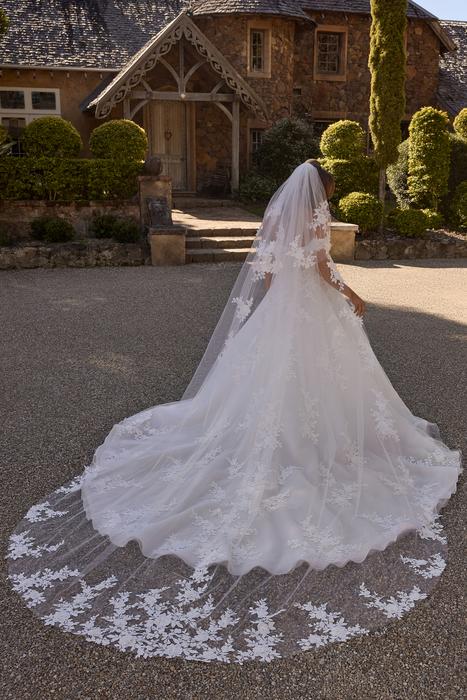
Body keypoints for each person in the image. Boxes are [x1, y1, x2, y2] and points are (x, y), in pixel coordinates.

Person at [8, 161, 461, 664]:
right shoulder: (312, 220)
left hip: (282, 310)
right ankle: (317, 448)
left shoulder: (279, 219)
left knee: (268, 385)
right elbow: (320, 267)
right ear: (321, 193)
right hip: (309, 309)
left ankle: (286, 441)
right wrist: (351, 293)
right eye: (329, 192)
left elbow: (267, 274)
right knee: (320, 385)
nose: (329, 198)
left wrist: (280, 311)